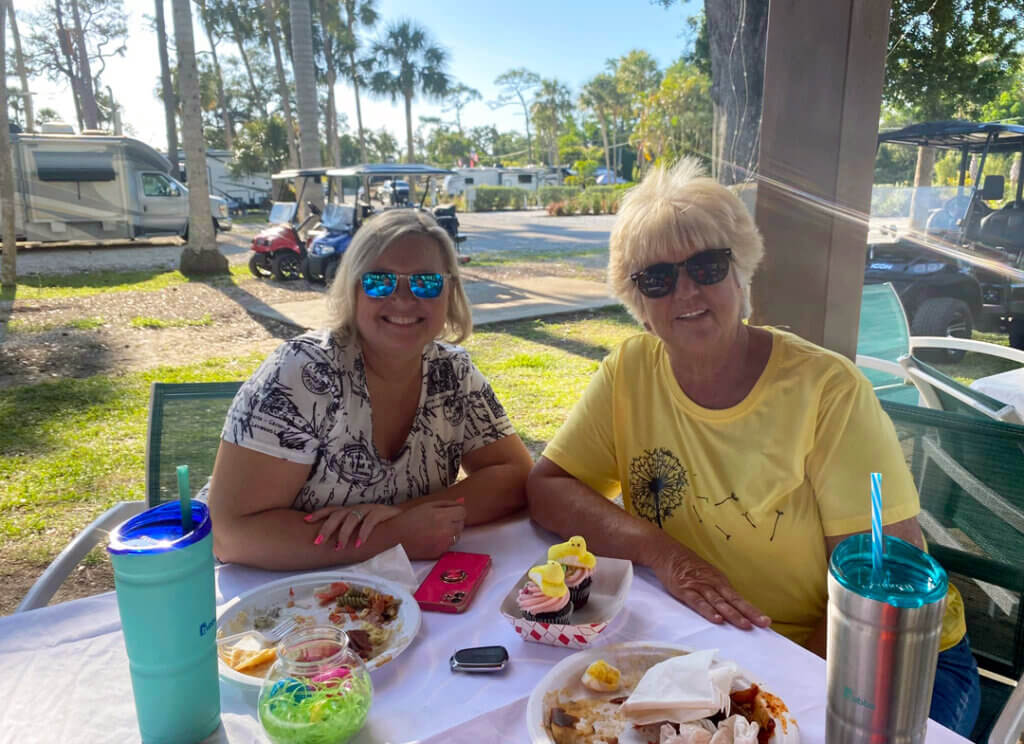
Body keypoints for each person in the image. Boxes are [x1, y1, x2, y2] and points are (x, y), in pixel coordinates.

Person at [525, 159, 979, 736]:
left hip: (892, 657)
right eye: (657, 278)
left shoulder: (827, 392)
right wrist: (663, 551)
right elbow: (549, 488)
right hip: (723, 651)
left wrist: (776, 700)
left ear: (741, 270)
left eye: (706, 266)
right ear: (636, 297)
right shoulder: (629, 372)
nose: (685, 291)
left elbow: (882, 584)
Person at [209, 209, 533, 570]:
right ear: (352, 287)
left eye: (426, 282)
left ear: (450, 291)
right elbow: (229, 534)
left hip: (393, 597)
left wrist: (398, 516)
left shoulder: (452, 372)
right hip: (273, 598)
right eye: (380, 281)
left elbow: (516, 476)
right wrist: (393, 536)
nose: (404, 298)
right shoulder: (304, 371)